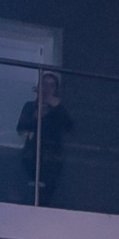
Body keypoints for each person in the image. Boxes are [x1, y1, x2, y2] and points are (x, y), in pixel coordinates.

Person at [17, 71, 72, 206]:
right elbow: (21, 128)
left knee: (48, 196)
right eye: (44, 84)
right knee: (28, 195)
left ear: (56, 90)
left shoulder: (59, 109)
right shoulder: (30, 106)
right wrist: (36, 117)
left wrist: (57, 107)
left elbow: (69, 127)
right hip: (31, 157)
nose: (47, 88)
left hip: (52, 159)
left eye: (51, 85)